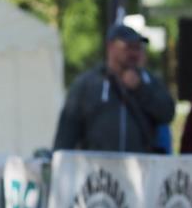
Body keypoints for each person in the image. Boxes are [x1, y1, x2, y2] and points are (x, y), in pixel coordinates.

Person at [53, 24, 176, 152]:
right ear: (111, 47)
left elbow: (167, 114)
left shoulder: (150, 81)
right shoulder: (86, 84)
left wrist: (141, 89)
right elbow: (67, 131)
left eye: (138, 48)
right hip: (96, 168)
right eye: (128, 47)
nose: (134, 53)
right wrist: (59, 160)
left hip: (142, 167)